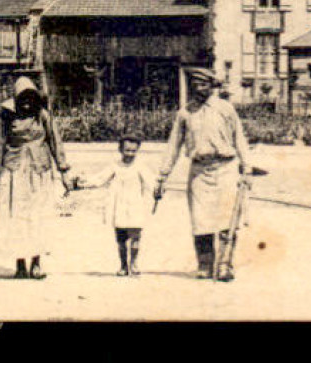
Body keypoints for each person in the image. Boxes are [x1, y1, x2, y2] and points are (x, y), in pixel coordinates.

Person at [154, 68, 252, 281]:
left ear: (211, 85)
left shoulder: (226, 109)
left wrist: (247, 168)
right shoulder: (185, 113)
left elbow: (240, 139)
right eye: (195, 85)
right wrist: (163, 175)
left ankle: (225, 264)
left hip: (226, 168)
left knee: (228, 218)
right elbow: (174, 146)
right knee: (201, 219)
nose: (199, 89)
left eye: (203, 84)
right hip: (199, 171)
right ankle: (205, 265)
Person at [0, 74, 73, 279]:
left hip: (39, 172)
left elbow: (56, 143)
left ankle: (36, 262)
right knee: (17, 218)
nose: (27, 103)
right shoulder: (6, 116)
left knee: (37, 217)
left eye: (30, 99)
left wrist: (64, 172)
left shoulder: (43, 116)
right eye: (22, 99)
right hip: (14, 173)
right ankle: (20, 265)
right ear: (16, 99)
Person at [78, 134, 152, 276]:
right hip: (119, 206)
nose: (130, 154)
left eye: (133, 151)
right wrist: (82, 183)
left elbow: (151, 181)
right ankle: (123, 265)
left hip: (135, 206)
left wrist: (158, 189)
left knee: (136, 237)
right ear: (120, 150)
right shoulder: (115, 166)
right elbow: (99, 179)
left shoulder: (140, 166)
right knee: (121, 239)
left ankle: (134, 264)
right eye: (127, 150)